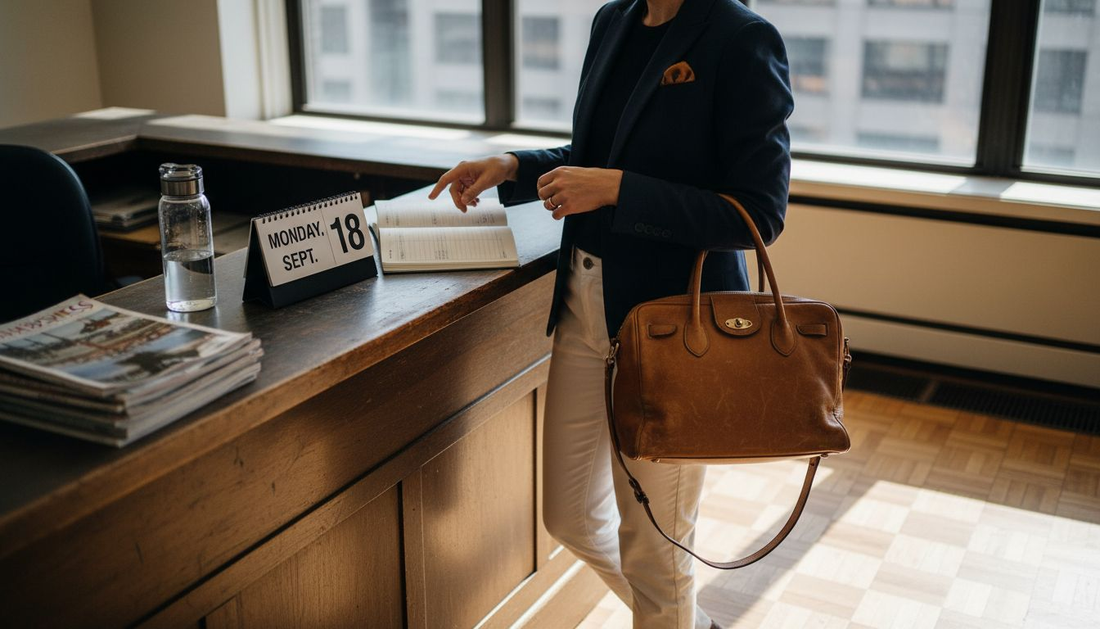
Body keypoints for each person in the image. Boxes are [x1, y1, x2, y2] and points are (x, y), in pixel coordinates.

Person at [430, 0, 793, 626]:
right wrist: (515, 168)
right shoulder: (613, 20)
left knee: (656, 550)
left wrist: (621, 189)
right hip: (583, 301)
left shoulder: (742, 37)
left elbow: (758, 214)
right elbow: (601, 150)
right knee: (568, 514)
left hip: (674, 327)